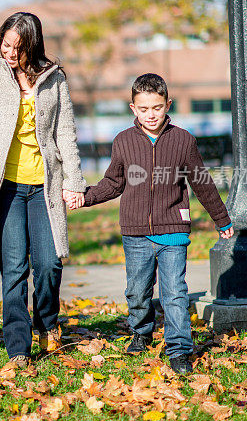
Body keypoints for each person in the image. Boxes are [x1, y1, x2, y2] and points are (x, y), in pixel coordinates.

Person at [68, 73, 233, 374]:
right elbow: (113, 183)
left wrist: (221, 220)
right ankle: (141, 331)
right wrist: (85, 197)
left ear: (168, 104)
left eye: (157, 107)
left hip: (173, 228)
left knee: (174, 293)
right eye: (144, 109)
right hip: (135, 233)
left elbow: (202, 183)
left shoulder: (183, 141)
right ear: (133, 108)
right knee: (138, 291)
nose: (151, 115)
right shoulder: (123, 141)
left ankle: (179, 349)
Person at [0, 12, 86, 367]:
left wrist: (74, 182)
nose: (10, 52)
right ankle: (18, 347)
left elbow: (66, 134)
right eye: (6, 44)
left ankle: (47, 322)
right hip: (6, 190)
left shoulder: (54, 79)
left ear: (32, 46)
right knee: (14, 269)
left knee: (49, 264)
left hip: (44, 187)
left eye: (19, 47)